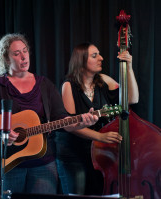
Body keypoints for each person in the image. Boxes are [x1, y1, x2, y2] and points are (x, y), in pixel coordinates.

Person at [0, 33, 99, 199]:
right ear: (6, 59)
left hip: (43, 164)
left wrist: (82, 121)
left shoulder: (44, 85)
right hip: (7, 165)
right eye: (16, 53)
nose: (23, 57)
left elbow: (62, 120)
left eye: (25, 51)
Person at [55, 42, 139, 195]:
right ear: (81, 60)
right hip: (73, 153)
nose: (101, 58)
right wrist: (100, 136)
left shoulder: (102, 80)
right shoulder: (68, 86)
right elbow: (70, 126)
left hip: (97, 152)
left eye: (99, 54)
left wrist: (129, 67)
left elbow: (132, 98)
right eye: (94, 56)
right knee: (77, 193)